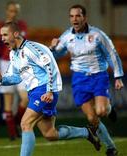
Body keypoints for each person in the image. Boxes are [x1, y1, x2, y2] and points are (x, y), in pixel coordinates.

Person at [0, 22, 101, 156]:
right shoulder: (13, 54)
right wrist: (1, 79)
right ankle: (86, 132)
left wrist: (49, 90)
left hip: (44, 90)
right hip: (33, 92)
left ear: (15, 34)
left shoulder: (32, 48)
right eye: (1, 35)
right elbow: (16, 77)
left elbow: (50, 68)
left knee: (25, 124)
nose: (2, 38)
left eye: (5, 34)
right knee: (50, 134)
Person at [50, 4, 124, 156]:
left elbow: (112, 54)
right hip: (79, 79)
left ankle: (109, 110)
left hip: (98, 76)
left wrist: (118, 76)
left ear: (85, 17)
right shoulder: (66, 37)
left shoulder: (98, 35)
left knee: (101, 111)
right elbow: (57, 55)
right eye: (71, 16)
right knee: (92, 118)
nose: (74, 19)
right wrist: (52, 48)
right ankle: (111, 147)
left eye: (78, 16)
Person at [0, 1, 28, 140]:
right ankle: (12, 134)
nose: (13, 13)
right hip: (5, 64)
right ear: (7, 11)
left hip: (20, 63)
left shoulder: (22, 25)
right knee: (8, 101)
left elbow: (25, 45)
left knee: (25, 98)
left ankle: (17, 123)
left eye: (15, 11)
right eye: (11, 11)